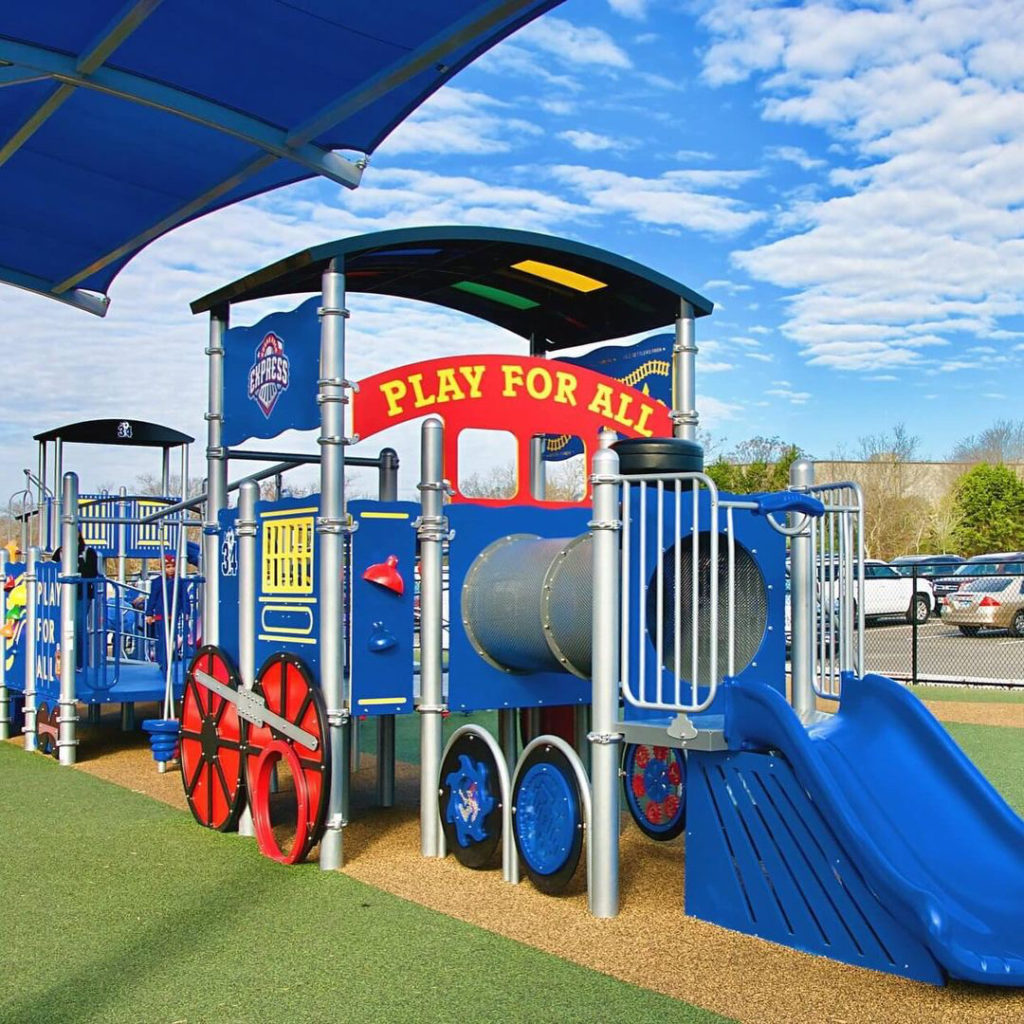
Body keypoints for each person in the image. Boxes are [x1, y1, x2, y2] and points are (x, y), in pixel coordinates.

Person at [51, 531, 100, 668]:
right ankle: (62, 662)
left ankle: (79, 663)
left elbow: (92, 573)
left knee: (77, 628)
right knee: (61, 628)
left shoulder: (88, 552)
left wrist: (77, 568)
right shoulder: (60, 552)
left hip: (81, 596)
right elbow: (53, 570)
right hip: (61, 596)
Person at [145, 554, 186, 674]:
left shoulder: (179, 582)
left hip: (174, 615)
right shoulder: (157, 582)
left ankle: (167, 659)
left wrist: (186, 611)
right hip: (160, 615)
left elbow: (184, 598)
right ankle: (163, 661)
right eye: (168, 566)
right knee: (162, 638)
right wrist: (149, 613)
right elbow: (152, 598)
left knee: (172, 638)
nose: (171, 569)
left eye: (173, 566)